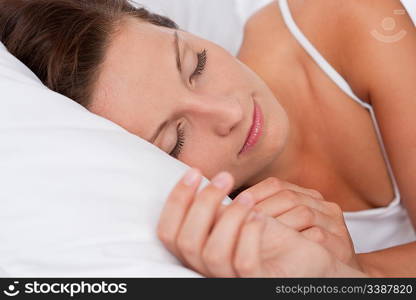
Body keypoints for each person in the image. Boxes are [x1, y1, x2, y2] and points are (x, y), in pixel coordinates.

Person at [1, 0, 415, 277]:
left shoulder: (344, 16)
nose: (230, 113)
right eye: (174, 141)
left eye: (195, 64)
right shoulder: (216, 237)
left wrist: (355, 269)